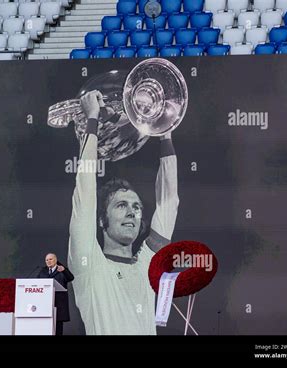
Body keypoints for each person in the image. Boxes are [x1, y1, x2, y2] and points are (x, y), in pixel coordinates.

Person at [67, 90, 179, 335]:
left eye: (136, 207)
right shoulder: (89, 265)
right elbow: (84, 193)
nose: (132, 212)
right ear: (101, 220)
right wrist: (92, 121)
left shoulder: (147, 267)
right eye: (121, 205)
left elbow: (169, 203)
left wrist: (165, 133)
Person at [37, 253, 75, 335]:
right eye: (46, 260)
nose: (48, 261)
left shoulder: (62, 269)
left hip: (59, 304)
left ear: (56, 260)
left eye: (50, 259)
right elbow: (37, 282)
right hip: (45, 305)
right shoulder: (43, 271)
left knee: (57, 329)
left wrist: (64, 270)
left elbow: (71, 278)